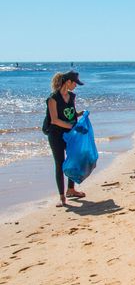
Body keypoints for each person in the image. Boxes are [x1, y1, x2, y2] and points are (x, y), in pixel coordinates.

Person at [44, 71, 87, 207]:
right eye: (75, 83)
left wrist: (82, 114)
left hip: (69, 134)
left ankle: (71, 189)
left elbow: (71, 115)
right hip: (56, 134)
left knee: (73, 160)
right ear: (68, 82)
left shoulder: (72, 96)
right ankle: (62, 197)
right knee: (60, 164)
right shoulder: (53, 98)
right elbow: (55, 120)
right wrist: (72, 126)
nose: (76, 86)